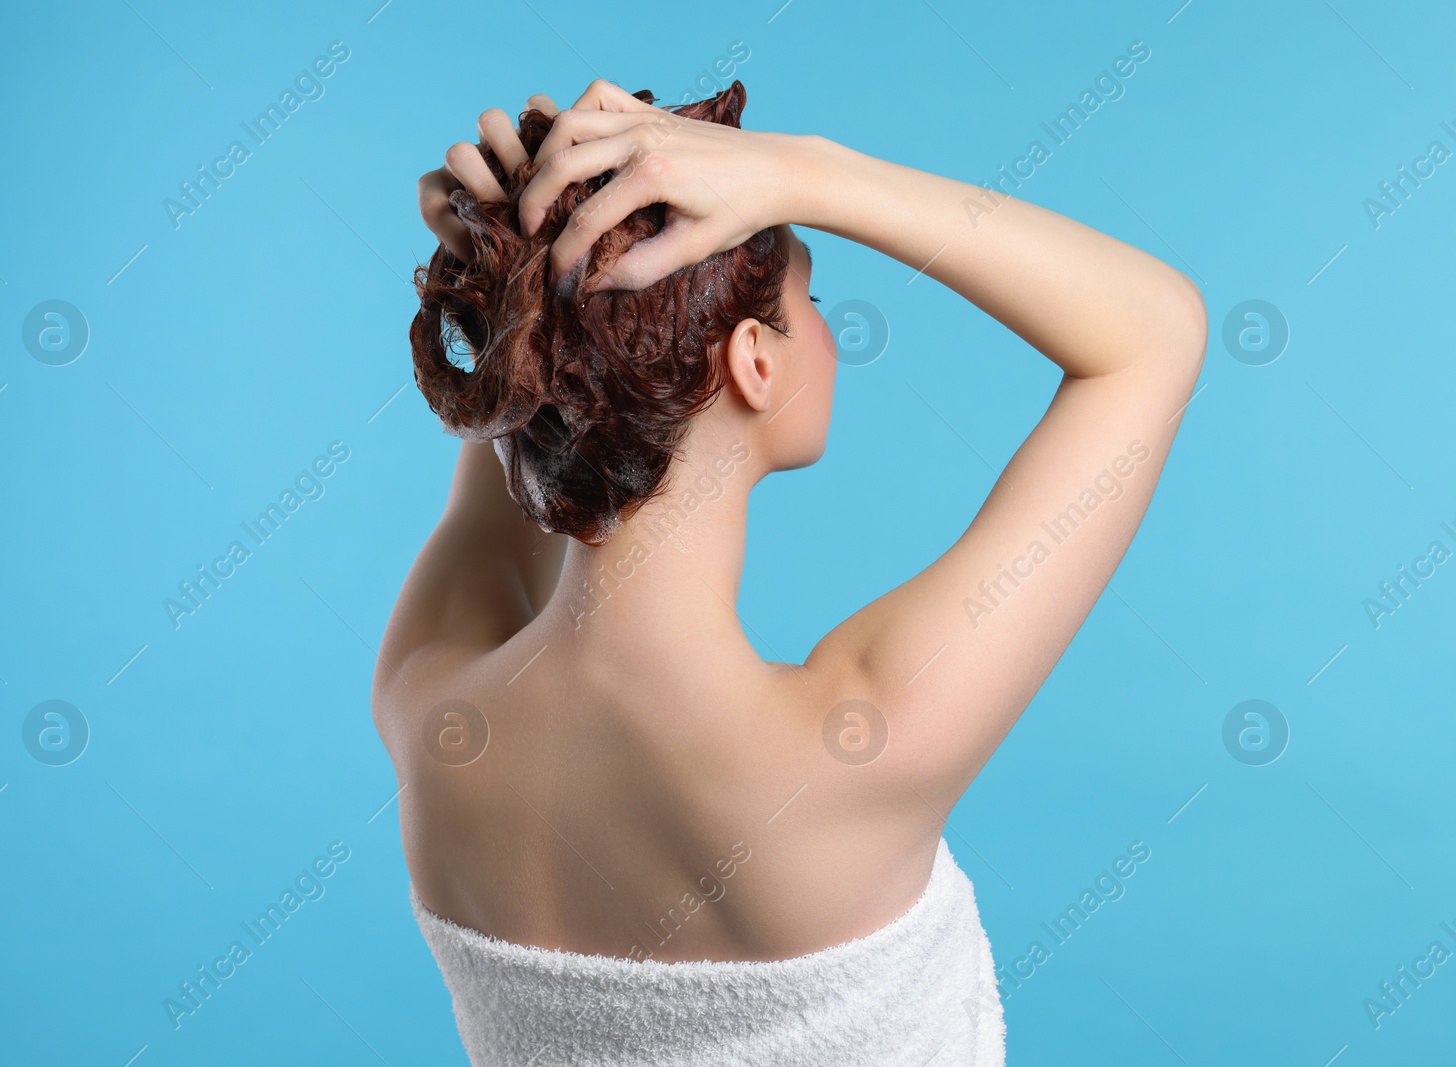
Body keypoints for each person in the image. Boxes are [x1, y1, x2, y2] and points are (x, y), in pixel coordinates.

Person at [374, 78, 1206, 1066]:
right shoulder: (860, 743)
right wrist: (807, 172)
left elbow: (501, 458)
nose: (826, 328)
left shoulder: (431, 714)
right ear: (754, 363)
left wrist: (523, 265)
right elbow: (1155, 332)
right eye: (810, 295)